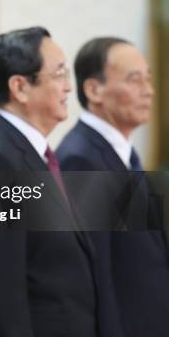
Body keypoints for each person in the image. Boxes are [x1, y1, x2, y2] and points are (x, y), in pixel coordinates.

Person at [0, 27, 120, 337]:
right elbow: (4, 291)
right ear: (20, 87)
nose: (68, 88)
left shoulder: (36, 155)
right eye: (59, 74)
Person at [56, 37, 169, 337]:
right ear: (94, 90)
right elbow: (97, 275)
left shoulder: (124, 152)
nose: (149, 90)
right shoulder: (83, 159)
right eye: (134, 80)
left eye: (148, 78)